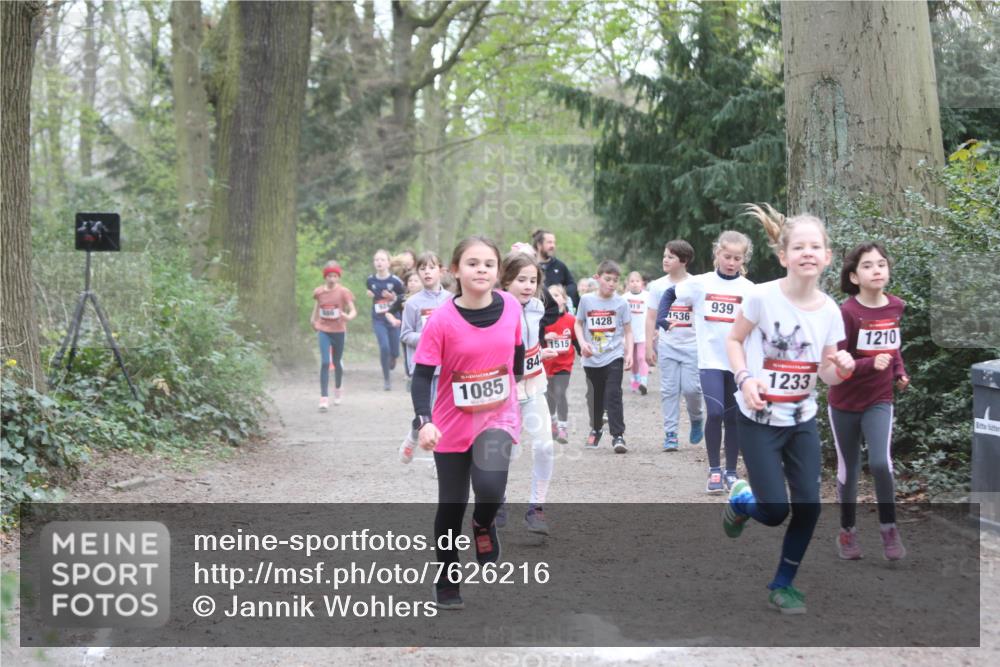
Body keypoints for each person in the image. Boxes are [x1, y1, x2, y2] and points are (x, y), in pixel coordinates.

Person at [722, 203, 854, 615]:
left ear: (827, 257)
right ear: (784, 256)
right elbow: (734, 340)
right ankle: (742, 502)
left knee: (809, 506)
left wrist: (841, 368)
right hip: (759, 419)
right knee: (775, 511)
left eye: (815, 247)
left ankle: (783, 585)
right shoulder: (762, 297)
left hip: (801, 421)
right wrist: (745, 379)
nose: (807, 253)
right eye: (799, 247)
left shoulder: (831, 311)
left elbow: (827, 375)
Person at [411, 236, 524, 611]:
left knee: (490, 488)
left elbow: (517, 351)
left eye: (489, 264)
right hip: (451, 422)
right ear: (456, 270)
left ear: (498, 271)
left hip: (497, 415)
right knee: (451, 504)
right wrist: (424, 422)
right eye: (473, 263)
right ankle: (447, 578)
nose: (481, 270)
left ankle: (483, 524)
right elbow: (422, 377)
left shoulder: (511, 306)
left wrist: (515, 386)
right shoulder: (441, 320)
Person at [827, 242, 909, 561]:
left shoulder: (896, 306)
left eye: (881, 264)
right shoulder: (847, 312)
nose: (876, 270)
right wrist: (868, 364)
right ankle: (847, 532)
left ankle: (889, 529)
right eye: (868, 265)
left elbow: (893, 346)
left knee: (880, 463)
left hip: (879, 398)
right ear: (854, 276)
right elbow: (837, 359)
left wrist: (899, 371)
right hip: (844, 402)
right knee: (849, 470)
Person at [657, 231, 754, 492]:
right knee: (715, 413)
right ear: (717, 254)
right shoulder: (701, 283)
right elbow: (670, 293)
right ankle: (714, 470)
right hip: (710, 361)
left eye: (737, 258)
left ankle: (731, 472)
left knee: (733, 418)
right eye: (727, 256)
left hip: (737, 363)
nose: (731, 262)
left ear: (743, 259)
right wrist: (662, 319)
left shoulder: (749, 289)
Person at [500, 251, 559, 534]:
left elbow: (530, 339)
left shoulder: (536, 306)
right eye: (520, 280)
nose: (527, 286)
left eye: (532, 280)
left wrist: (538, 354)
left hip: (534, 386)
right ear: (505, 280)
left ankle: (536, 508)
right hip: (503, 392)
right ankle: (497, 501)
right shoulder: (494, 307)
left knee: (545, 446)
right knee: (505, 453)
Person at [647, 240, 704, 451]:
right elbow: (650, 317)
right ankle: (670, 434)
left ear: (684, 260)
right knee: (669, 390)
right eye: (664, 256)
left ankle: (696, 418)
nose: (665, 260)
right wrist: (648, 347)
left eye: (670, 257)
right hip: (667, 346)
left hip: (692, 345)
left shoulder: (696, 285)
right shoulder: (657, 286)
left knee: (692, 389)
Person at [574, 260, 633, 453]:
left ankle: (618, 436)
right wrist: (582, 343)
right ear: (597, 278)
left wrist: (630, 353)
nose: (612, 284)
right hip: (591, 357)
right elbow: (578, 324)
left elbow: (628, 330)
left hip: (613, 354)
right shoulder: (586, 300)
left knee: (613, 393)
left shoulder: (621, 303)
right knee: (595, 396)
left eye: (615, 280)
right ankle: (596, 428)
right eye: (608, 279)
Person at [398, 254, 450, 463]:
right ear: (418, 273)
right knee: (428, 413)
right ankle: (412, 438)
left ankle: (440, 462)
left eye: (431, 267)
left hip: (447, 367)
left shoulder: (451, 300)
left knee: (442, 415)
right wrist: (428, 338)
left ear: (441, 271)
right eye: (422, 268)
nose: (427, 272)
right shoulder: (413, 303)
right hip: (424, 368)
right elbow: (405, 334)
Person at [310, 261, 357, 410]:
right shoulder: (319, 292)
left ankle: (338, 387)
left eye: (335, 276)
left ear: (338, 277)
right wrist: (313, 320)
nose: (332, 279)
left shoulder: (343, 292)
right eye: (329, 276)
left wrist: (348, 317)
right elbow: (317, 306)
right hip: (324, 330)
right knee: (325, 362)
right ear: (325, 276)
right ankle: (324, 397)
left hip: (339, 331)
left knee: (337, 362)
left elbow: (353, 310)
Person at [543, 284, 579, 445]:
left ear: (564, 299)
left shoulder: (571, 320)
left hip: (564, 365)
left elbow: (576, 341)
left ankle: (563, 427)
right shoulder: (542, 320)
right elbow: (536, 340)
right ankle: (553, 423)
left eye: (557, 295)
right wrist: (545, 337)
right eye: (550, 296)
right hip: (546, 366)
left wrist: (585, 353)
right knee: (549, 396)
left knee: (560, 392)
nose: (554, 298)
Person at [367, 249, 406, 391]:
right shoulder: (370, 280)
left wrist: (393, 297)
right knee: (384, 347)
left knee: (395, 351)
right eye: (376, 260)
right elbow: (371, 291)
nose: (379, 262)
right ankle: (386, 379)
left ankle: (394, 357)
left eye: (382, 260)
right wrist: (370, 294)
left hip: (393, 318)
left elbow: (404, 297)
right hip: (379, 319)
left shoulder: (395, 281)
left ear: (388, 263)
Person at [533, 229, 578, 308]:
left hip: (557, 310)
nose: (553, 246)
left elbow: (572, 285)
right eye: (549, 242)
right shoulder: (531, 265)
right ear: (539, 245)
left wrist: (561, 293)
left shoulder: (559, 266)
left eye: (554, 243)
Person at [625, 271, 650, 395]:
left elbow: (652, 314)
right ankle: (635, 380)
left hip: (643, 333)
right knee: (633, 360)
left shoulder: (647, 296)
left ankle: (643, 382)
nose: (635, 284)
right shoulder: (624, 298)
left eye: (637, 281)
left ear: (642, 283)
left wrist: (654, 330)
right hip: (629, 334)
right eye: (632, 281)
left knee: (641, 357)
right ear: (628, 283)